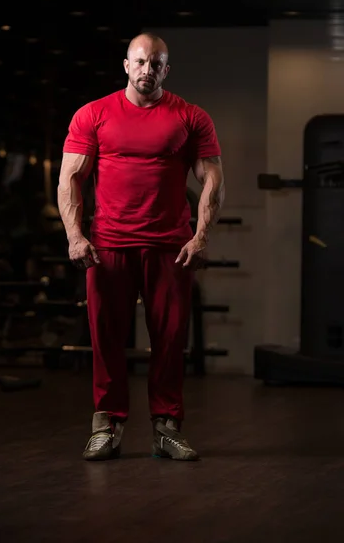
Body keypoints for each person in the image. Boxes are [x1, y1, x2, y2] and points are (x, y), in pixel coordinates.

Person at [57, 32, 225, 461]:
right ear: (126, 65)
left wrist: (201, 234)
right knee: (106, 336)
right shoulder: (92, 114)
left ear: (165, 70)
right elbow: (70, 178)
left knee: (170, 338)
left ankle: (167, 427)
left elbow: (212, 180)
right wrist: (76, 236)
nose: (147, 70)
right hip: (108, 243)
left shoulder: (191, 117)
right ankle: (106, 425)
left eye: (156, 64)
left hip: (169, 245)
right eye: (140, 62)